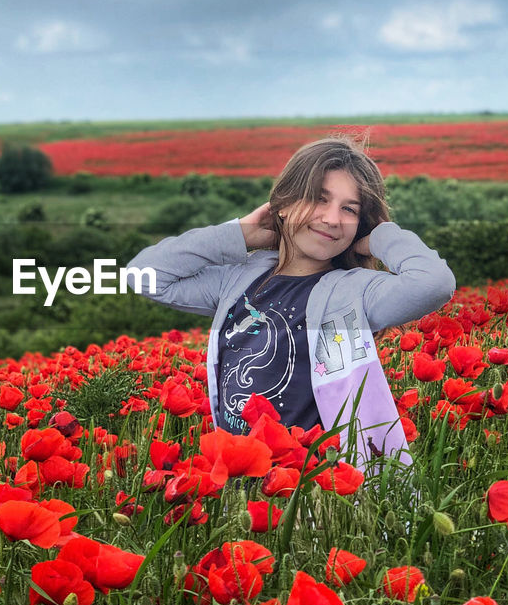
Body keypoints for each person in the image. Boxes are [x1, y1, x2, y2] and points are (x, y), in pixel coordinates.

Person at [125, 137, 455, 468]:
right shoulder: (238, 280)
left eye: (349, 209)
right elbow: (143, 275)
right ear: (282, 204)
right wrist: (239, 234)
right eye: (318, 199)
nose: (331, 218)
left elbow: (433, 284)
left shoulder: (353, 293)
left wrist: (382, 236)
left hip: (314, 490)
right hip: (239, 478)